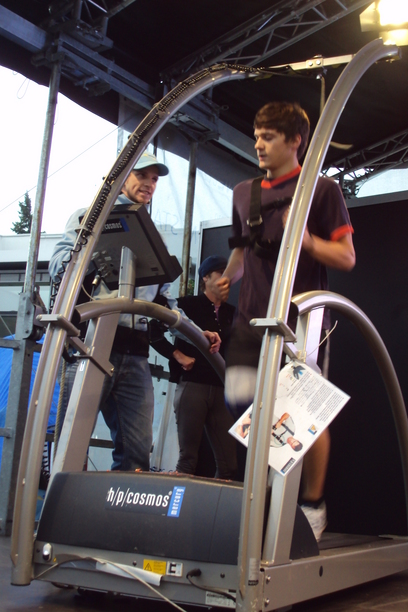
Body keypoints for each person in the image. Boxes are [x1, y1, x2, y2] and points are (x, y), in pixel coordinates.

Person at [216, 101, 356, 540]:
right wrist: (226, 279)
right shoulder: (243, 192)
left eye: (269, 137)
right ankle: (267, 489)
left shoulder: (322, 190)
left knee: (305, 414)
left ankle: (312, 503)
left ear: (295, 141)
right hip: (250, 321)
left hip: (302, 323)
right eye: (256, 135)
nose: (258, 144)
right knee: (240, 400)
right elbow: (242, 252)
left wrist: (308, 241)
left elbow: (346, 257)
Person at [49, 152, 221, 473]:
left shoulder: (154, 236)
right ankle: (66, 503)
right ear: (122, 176)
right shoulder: (89, 216)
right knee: (70, 448)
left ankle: (120, 505)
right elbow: (58, 268)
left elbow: (165, 304)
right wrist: (92, 245)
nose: (149, 183)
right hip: (90, 347)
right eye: (142, 175)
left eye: (154, 179)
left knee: (138, 455)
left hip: (136, 354)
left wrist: (199, 335)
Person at [151, 255, 237, 479]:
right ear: (205, 277)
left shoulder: (233, 313)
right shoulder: (185, 305)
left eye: (229, 274)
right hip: (193, 386)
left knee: (229, 465)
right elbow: (152, 330)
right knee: (188, 460)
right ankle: (179, 501)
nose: (226, 279)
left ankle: (217, 502)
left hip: (223, 390)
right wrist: (177, 355)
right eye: (221, 273)